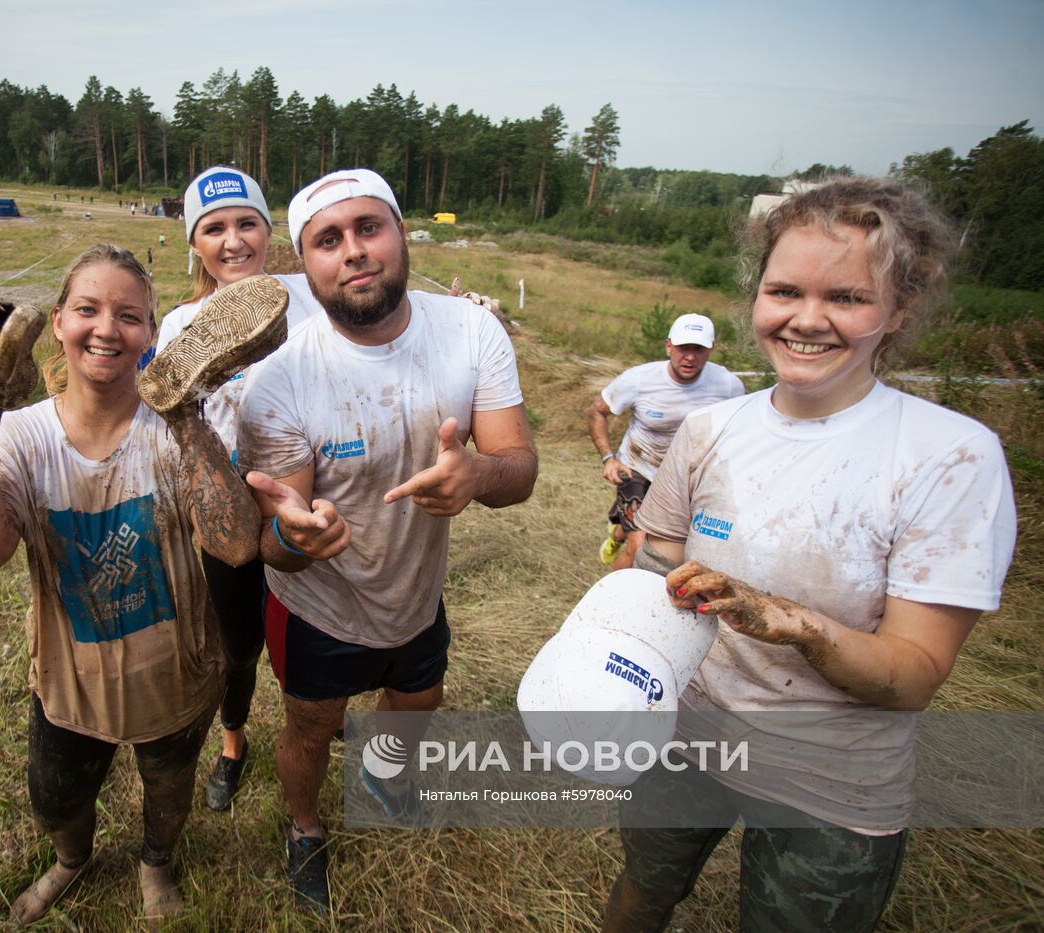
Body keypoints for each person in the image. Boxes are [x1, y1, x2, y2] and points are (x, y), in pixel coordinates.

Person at [601, 177, 1016, 932]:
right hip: (689, 733)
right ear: (756, 295)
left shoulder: (949, 455)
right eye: (784, 289)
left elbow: (913, 676)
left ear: (901, 309)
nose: (807, 319)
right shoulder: (711, 430)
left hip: (833, 776)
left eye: (848, 298)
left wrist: (792, 622)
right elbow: (654, 559)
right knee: (645, 885)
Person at [236, 169, 539, 910]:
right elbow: (272, 543)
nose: (354, 251)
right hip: (320, 605)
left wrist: (476, 474)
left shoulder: (471, 331)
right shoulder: (278, 381)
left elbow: (520, 468)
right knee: (311, 725)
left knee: (421, 697)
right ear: (304, 266)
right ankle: (305, 827)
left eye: (370, 227)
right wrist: (296, 532)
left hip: (416, 591)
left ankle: (382, 773)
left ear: (402, 234)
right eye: (328, 240)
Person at [0, 245, 260, 924]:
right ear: (57, 322)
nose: (107, 328)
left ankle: (156, 861)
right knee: (55, 798)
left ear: (151, 332)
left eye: (130, 315)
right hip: (68, 682)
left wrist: (188, 413)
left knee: (168, 793)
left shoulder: (173, 431)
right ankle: (71, 859)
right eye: (87, 309)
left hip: (175, 678)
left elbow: (235, 542)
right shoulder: (23, 437)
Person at [156, 166, 324, 812]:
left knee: (304, 632)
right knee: (235, 644)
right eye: (214, 228)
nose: (233, 240)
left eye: (246, 222)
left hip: (300, 501)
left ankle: (307, 725)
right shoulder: (180, 325)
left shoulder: (307, 299)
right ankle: (233, 742)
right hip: (225, 512)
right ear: (194, 242)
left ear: (267, 228)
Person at [586, 314, 744, 569]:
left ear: (711, 349)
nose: (690, 357)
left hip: (686, 478)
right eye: (683, 348)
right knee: (640, 545)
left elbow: (737, 429)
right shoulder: (640, 380)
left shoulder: (728, 385)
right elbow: (596, 411)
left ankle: (617, 533)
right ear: (668, 346)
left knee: (674, 544)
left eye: (698, 349)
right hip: (638, 468)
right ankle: (613, 604)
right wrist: (609, 459)